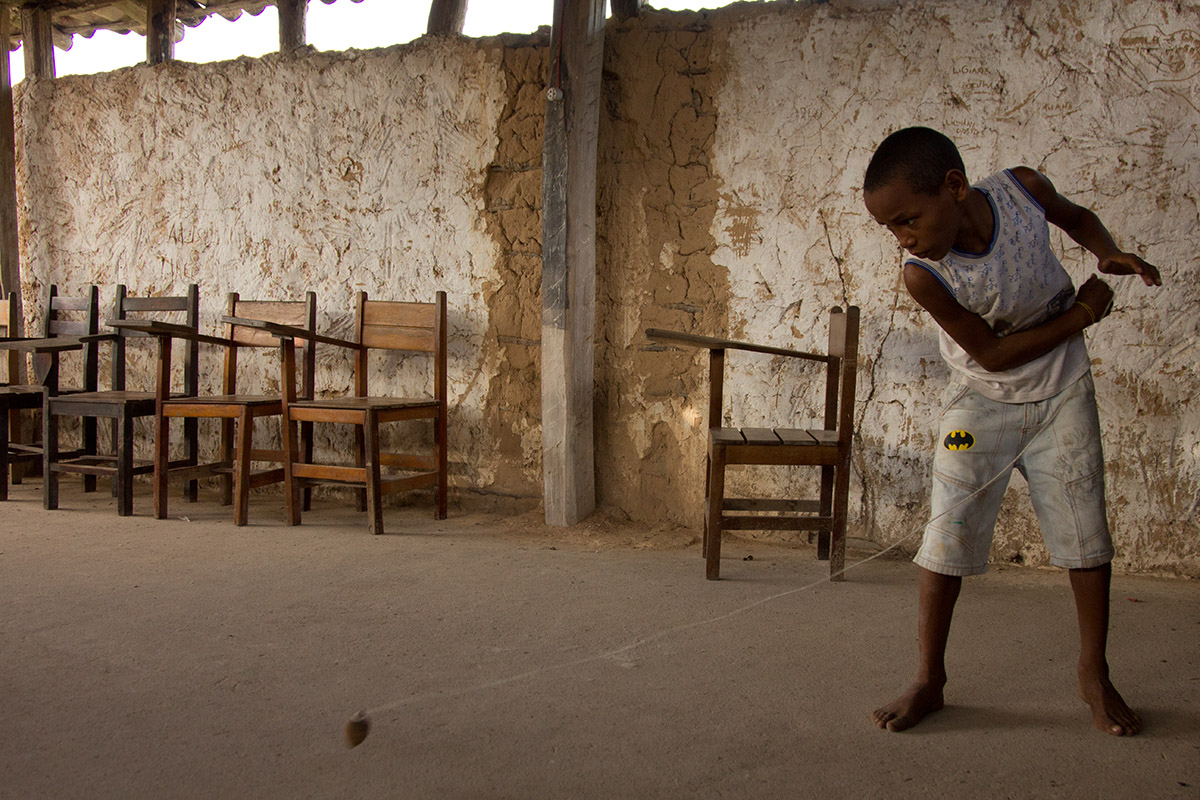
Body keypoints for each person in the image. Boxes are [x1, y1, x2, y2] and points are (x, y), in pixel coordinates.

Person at [861, 126, 1161, 736]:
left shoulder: (1023, 190)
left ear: (954, 187)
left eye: (908, 220)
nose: (903, 239)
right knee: (947, 532)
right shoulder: (924, 275)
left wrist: (1105, 250)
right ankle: (929, 678)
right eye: (890, 228)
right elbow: (993, 356)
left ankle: (1094, 674)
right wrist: (1083, 313)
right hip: (979, 407)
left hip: (1063, 393)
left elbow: (1077, 218)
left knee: (1085, 530)